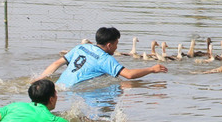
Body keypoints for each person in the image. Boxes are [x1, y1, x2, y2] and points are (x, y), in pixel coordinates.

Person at [34, 26, 167, 88]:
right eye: (116, 44)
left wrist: (41, 78)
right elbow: (129, 75)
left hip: (58, 85)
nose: (116, 47)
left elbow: (57, 63)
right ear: (109, 45)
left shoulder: (81, 47)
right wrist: (151, 69)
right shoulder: (105, 59)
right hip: (73, 90)